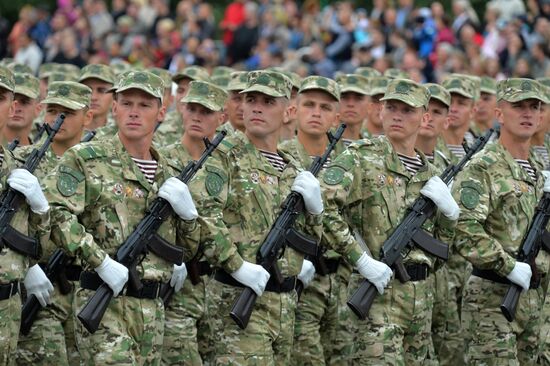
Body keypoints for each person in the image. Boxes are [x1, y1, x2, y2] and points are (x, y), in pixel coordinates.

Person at [43, 70, 201, 364]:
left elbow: (189, 249)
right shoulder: (86, 158)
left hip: (153, 310)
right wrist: (99, 260)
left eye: (144, 105)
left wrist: (189, 217)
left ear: (161, 112)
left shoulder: (172, 171)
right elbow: (54, 212)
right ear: (114, 107)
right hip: (103, 305)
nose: (134, 113)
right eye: (126, 103)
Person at [322, 78, 459, 364]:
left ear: (423, 117)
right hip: (377, 296)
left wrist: (450, 216)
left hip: (421, 299)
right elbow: (322, 211)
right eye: (392, 107)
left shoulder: (432, 173)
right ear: (381, 112)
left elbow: (441, 250)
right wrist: (360, 259)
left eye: (407, 110)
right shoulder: (359, 158)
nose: (398, 115)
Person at [197, 70, 327, 364]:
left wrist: (316, 211)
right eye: (251, 99)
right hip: (238, 298)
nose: (257, 107)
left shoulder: (295, 169)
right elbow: (203, 217)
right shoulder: (223, 156)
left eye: (268, 102)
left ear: (288, 112)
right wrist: (237, 264)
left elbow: (312, 239)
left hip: (285, 304)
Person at [451, 78, 549, 364]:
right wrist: (507, 265)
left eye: (535, 106)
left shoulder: (539, 171)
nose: (528, 113)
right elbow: (463, 228)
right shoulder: (483, 166)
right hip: (492, 300)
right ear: (499, 114)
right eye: (519, 106)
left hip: (534, 300)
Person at [15, 81, 93, 365]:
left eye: (68, 112)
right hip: (40, 289)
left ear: (88, 116)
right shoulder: (23, 160)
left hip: (87, 292)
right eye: (52, 111)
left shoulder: (98, 163)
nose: (57, 119)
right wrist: (29, 266)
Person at [278, 76, 351, 365]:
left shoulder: (351, 160)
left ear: (336, 118)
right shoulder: (280, 156)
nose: (316, 112)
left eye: (324, 107)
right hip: (299, 281)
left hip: (344, 280)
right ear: (294, 110)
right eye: (308, 105)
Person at [160, 80, 228, 365]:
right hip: (179, 287)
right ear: (181, 110)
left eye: (206, 111)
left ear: (221, 118)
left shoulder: (227, 163)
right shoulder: (163, 158)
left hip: (219, 287)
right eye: (192, 109)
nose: (197, 116)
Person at [0, 65, 50, 365]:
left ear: (11, 108)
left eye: (2, 98)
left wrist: (41, 209)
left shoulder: (17, 168)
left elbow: (40, 240)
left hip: (8, 305)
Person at [4, 72, 41, 146]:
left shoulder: (42, 156)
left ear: (38, 109)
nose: (16, 109)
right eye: (12, 100)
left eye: (24, 102)